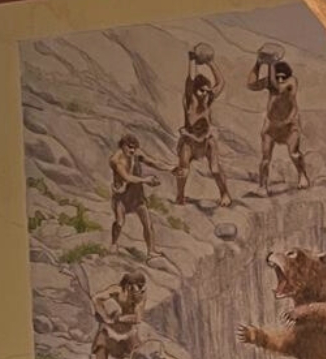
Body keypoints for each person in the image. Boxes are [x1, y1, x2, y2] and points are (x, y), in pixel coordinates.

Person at [174, 46, 233, 208]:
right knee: (183, 170)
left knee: (215, 170)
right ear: (195, 90)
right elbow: (191, 79)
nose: (205, 93)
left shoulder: (208, 98)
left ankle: (225, 193)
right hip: (190, 142)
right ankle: (180, 195)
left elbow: (221, 83)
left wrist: (210, 62)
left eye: (207, 90)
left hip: (206, 141)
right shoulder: (190, 100)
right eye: (202, 91)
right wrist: (192, 60)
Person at [247, 49, 310, 192]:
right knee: (265, 159)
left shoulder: (291, 82)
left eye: (283, 77)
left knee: (294, 154)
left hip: (289, 126)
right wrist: (258, 63)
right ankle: (263, 186)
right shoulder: (271, 81)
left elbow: (278, 88)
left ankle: (302, 175)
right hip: (272, 127)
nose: (280, 79)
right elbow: (251, 84)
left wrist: (271, 64)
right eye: (278, 77)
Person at [87, 269, 146, 359]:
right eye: (136, 286)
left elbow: (138, 318)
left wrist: (119, 318)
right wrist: (105, 316)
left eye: (141, 286)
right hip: (109, 331)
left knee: (141, 357)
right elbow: (96, 298)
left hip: (128, 333)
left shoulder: (140, 296)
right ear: (128, 285)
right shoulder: (116, 290)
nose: (138, 290)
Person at [108, 133, 170, 260]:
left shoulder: (136, 156)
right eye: (129, 147)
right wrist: (146, 180)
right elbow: (127, 177)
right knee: (119, 222)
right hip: (122, 197)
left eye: (134, 147)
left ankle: (151, 251)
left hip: (136, 196)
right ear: (123, 145)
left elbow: (152, 162)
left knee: (147, 223)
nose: (132, 150)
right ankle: (114, 244)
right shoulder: (116, 160)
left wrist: (171, 168)